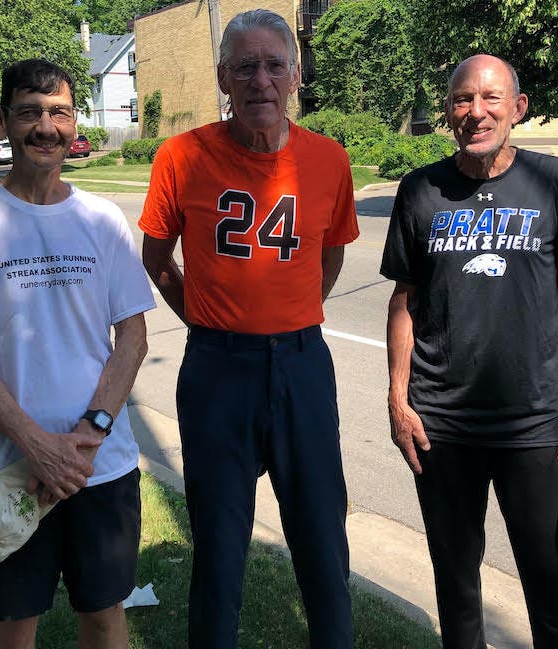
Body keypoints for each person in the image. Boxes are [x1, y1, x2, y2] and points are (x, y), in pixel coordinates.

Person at [138, 9, 359, 649]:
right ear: (223, 78)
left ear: (295, 74)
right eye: (245, 66)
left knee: (322, 534)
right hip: (217, 371)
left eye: (273, 65)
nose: (260, 79)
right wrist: (211, 322)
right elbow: (156, 259)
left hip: (301, 366)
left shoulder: (328, 160)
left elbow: (332, 254)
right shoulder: (182, 156)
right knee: (219, 541)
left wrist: (287, 317)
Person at [381, 53, 558, 649]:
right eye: (462, 100)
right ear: (449, 112)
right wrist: (398, 399)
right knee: (456, 587)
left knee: (552, 586)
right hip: (441, 425)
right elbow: (405, 299)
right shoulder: (419, 191)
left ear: (517, 108)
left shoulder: (555, 182)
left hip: (535, 423)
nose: (475, 112)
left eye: (489, 99)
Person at [0, 58, 155, 649]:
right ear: (3, 121)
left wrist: (88, 434)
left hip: (98, 467)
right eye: (29, 113)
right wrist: (38, 448)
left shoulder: (102, 220)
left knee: (105, 616)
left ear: (74, 123)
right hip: (3, 469)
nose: (45, 127)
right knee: (13, 623)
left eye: (58, 112)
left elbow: (132, 335)